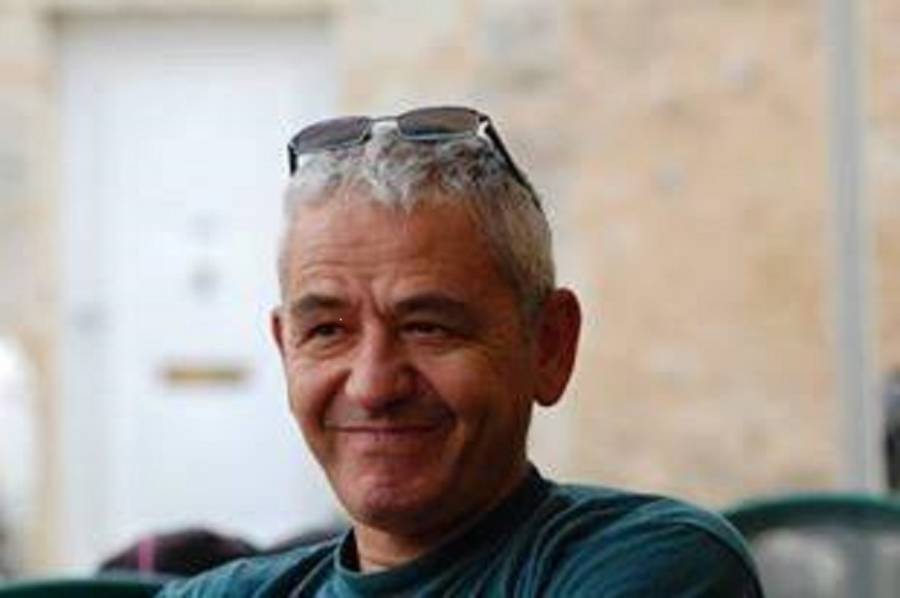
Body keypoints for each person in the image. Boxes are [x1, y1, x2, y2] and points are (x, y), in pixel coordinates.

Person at [160, 106, 761, 596]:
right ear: (285, 350)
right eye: (327, 331)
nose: (372, 385)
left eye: (428, 328)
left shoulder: (650, 565)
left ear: (550, 346)